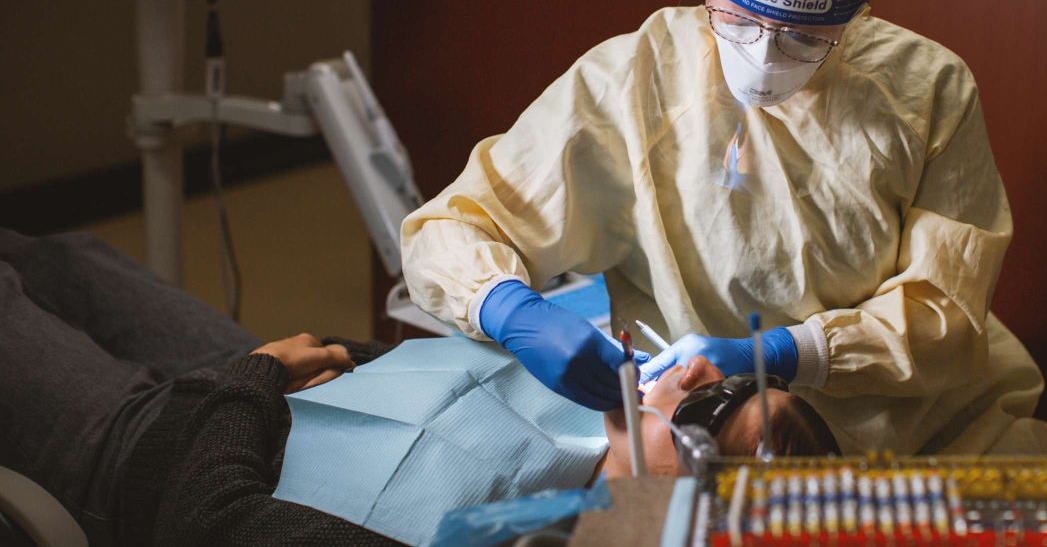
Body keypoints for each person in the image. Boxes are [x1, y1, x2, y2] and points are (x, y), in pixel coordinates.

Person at [401, 0, 1047, 455]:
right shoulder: (634, 82)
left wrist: (786, 353)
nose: (765, 58)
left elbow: (946, 315)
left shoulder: (926, 94)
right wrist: (509, 309)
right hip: (708, 426)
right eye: (738, 20)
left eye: (803, 36)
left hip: (925, 429)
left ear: (857, 4)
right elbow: (449, 233)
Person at [0, 230, 838, 547]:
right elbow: (434, 385)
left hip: (148, 455)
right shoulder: (590, 440)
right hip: (275, 386)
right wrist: (338, 355)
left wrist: (254, 377)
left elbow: (208, 523)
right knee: (70, 259)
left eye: (707, 409)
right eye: (731, 377)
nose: (693, 369)